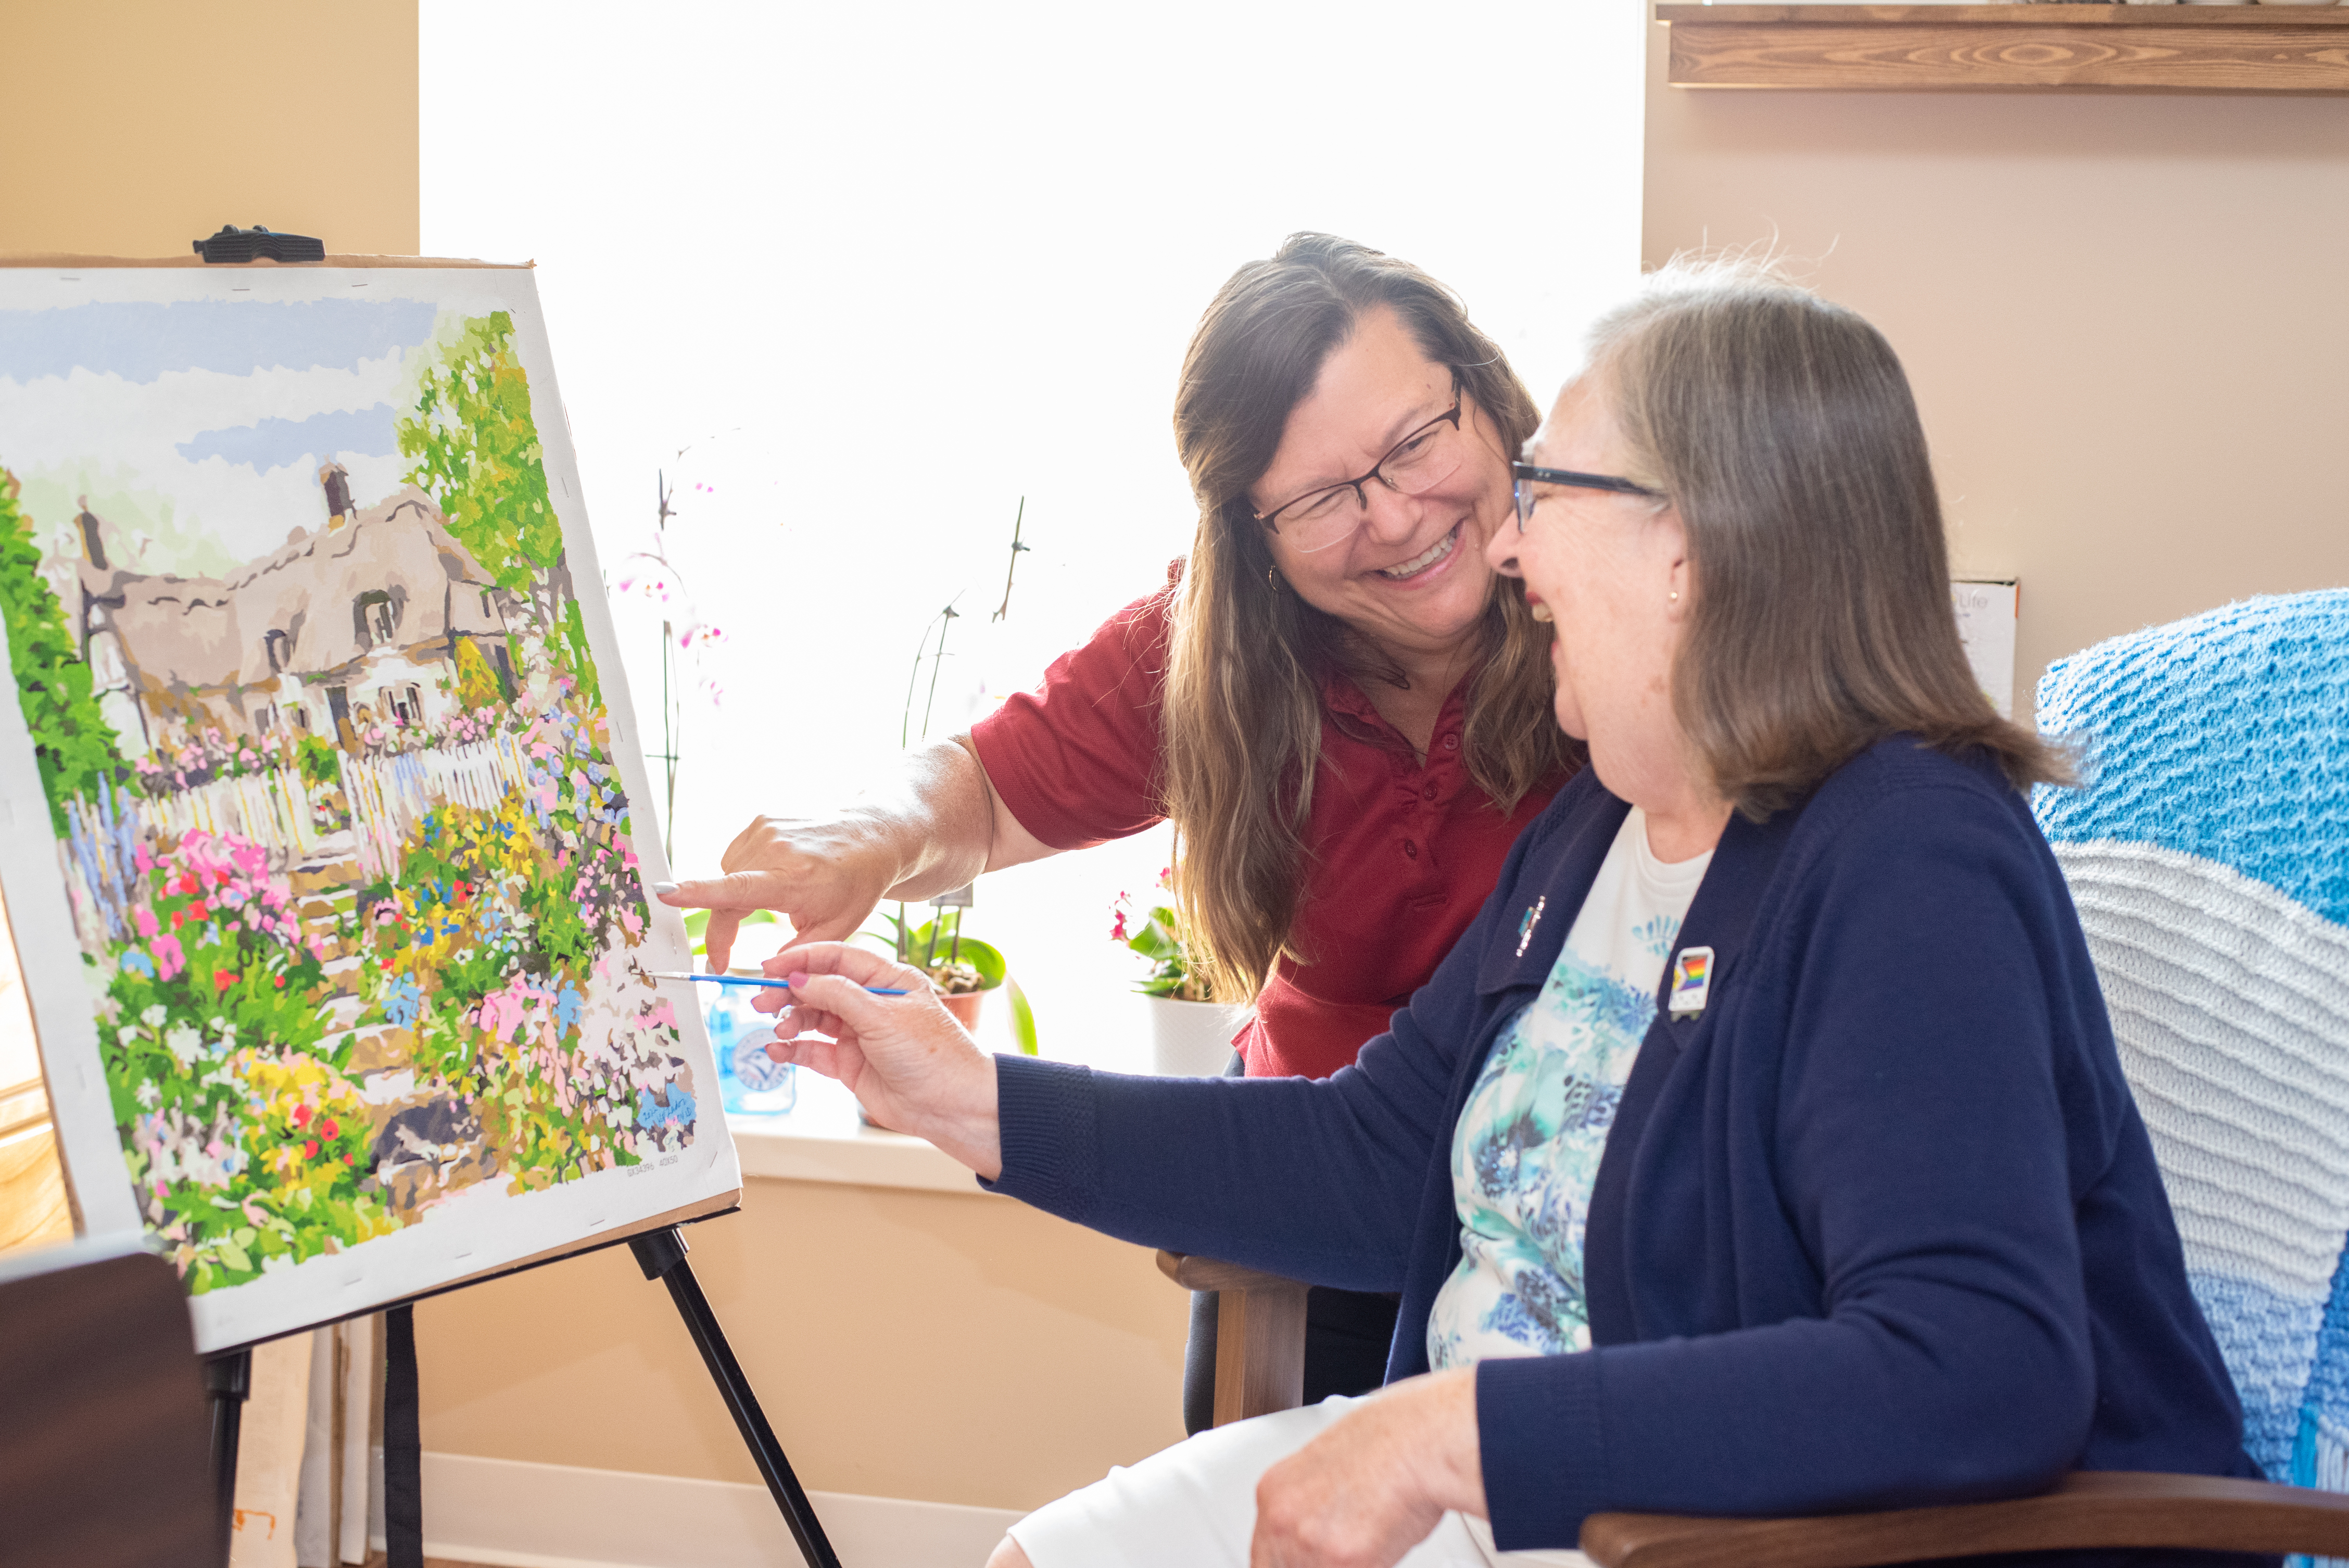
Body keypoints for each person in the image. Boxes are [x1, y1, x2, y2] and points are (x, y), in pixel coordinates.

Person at [736, 259, 2264, 1568]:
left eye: (1544, 491)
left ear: (1696, 545)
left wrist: (1450, 1435)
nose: (1504, 541)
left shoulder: (1909, 856)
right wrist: (968, 1096)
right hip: (1524, 1478)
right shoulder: (1602, 818)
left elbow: (1977, 1371)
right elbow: (1369, 1153)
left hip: (1686, 1516)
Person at [663, 234, 1579, 1428]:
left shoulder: (1612, 619)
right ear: (1251, 538)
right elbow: (991, 787)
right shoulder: (1222, 651)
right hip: (1301, 1203)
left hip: (1562, 1208)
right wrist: (866, 837)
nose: (1397, 518)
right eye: (1317, 501)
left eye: (1416, 444)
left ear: (1489, 397)